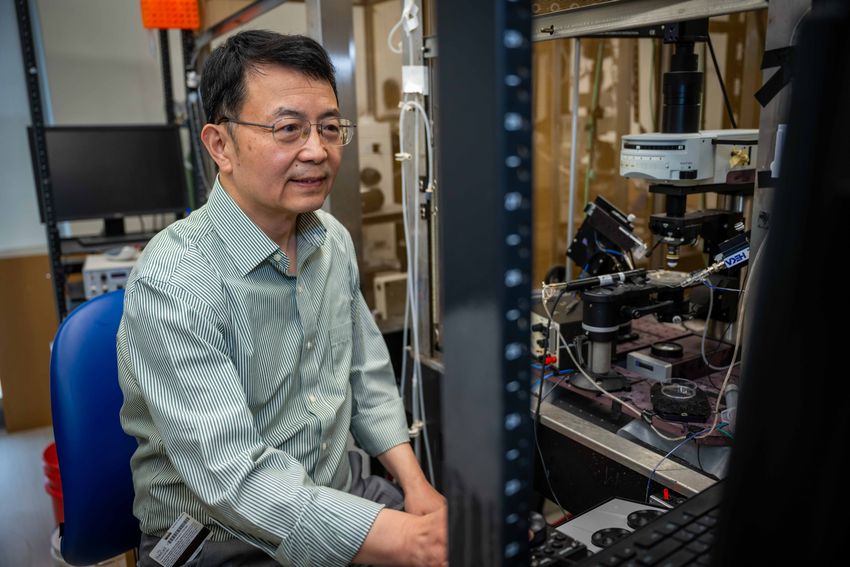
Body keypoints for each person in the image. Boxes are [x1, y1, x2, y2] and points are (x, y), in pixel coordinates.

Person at [117, 30, 447, 567]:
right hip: (224, 536)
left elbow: (365, 374)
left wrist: (416, 487)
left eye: (329, 128)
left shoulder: (331, 240)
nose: (317, 151)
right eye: (288, 128)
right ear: (220, 145)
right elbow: (235, 478)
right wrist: (410, 540)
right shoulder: (174, 280)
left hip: (338, 493)